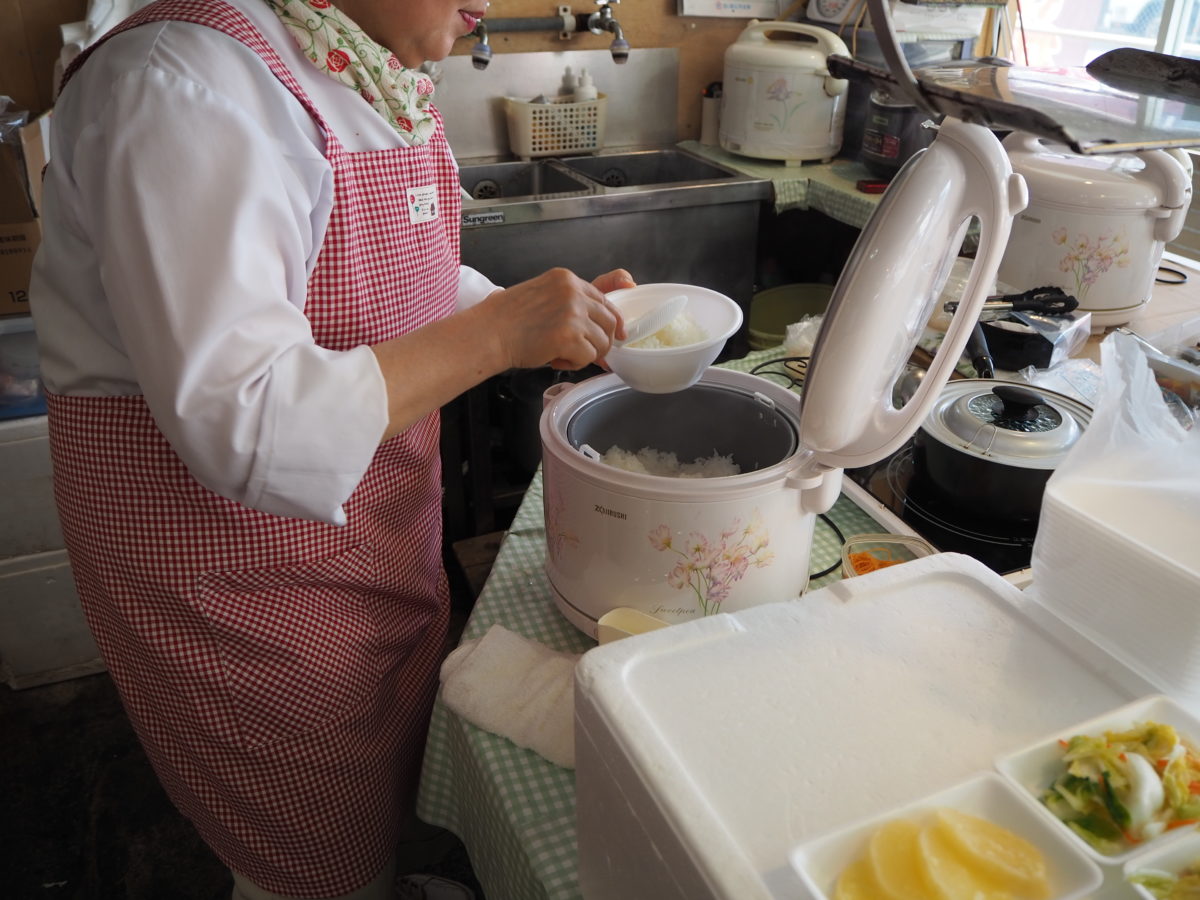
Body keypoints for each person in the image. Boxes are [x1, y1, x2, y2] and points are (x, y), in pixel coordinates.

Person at [29, 0, 632, 898]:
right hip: (235, 576)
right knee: (302, 847)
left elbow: (393, 282)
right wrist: (501, 332)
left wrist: (531, 319)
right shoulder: (182, 84)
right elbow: (247, 422)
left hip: (369, 540)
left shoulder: (353, 64)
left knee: (370, 796)